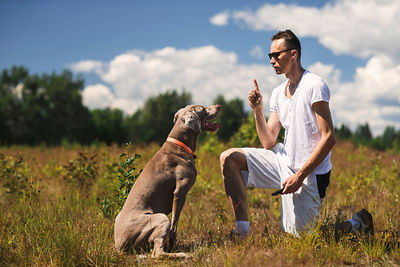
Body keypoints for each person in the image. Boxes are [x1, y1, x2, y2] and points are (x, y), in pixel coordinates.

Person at [220, 29, 373, 237]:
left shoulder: (315, 86)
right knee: (229, 158)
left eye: (276, 55)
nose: (272, 61)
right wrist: (258, 110)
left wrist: (299, 176)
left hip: (309, 172)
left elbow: (329, 137)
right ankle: (242, 231)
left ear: (293, 54)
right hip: (283, 160)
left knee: (302, 238)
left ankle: (357, 224)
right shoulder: (277, 93)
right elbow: (268, 141)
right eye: (270, 56)